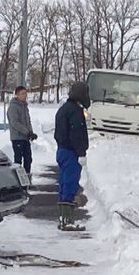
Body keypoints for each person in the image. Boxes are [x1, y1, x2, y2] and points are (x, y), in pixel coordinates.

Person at [54, 81, 91, 231]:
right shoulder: (75, 111)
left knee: (64, 184)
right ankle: (66, 221)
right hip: (71, 153)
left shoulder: (63, 109)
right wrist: (81, 153)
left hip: (62, 150)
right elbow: (76, 134)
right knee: (70, 184)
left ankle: (63, 218)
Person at [7, 86, 37, 175]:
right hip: (17, 137)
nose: (25, 95)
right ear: (17, 95)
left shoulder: (25, 107)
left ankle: (26, 178)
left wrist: (31, 132)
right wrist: (26, 132)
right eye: (22, 93)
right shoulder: (13, 107)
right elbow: (14, 123)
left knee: (28, 159)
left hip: (25, 137)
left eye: (25, 93)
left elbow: (28, 121)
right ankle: (18, 180)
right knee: (18, 160)